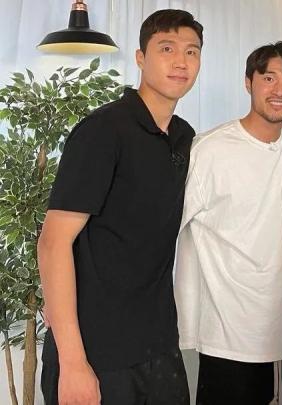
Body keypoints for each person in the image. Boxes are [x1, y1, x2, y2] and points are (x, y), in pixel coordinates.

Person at [37, 9, 203, 405]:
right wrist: (73, 363)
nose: (181, 62)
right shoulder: (103, 130)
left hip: (159, 345)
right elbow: (53, 243)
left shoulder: (184, 137)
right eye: (167, 49)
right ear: (141, 58)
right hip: (96, 353)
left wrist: (279, 131)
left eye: (192, 51)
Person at [174, 41, 282, 404]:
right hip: (228, 332)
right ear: (249, 82)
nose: (280, 90)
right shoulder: (209, 150)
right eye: (269, 78)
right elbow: (166, 229)